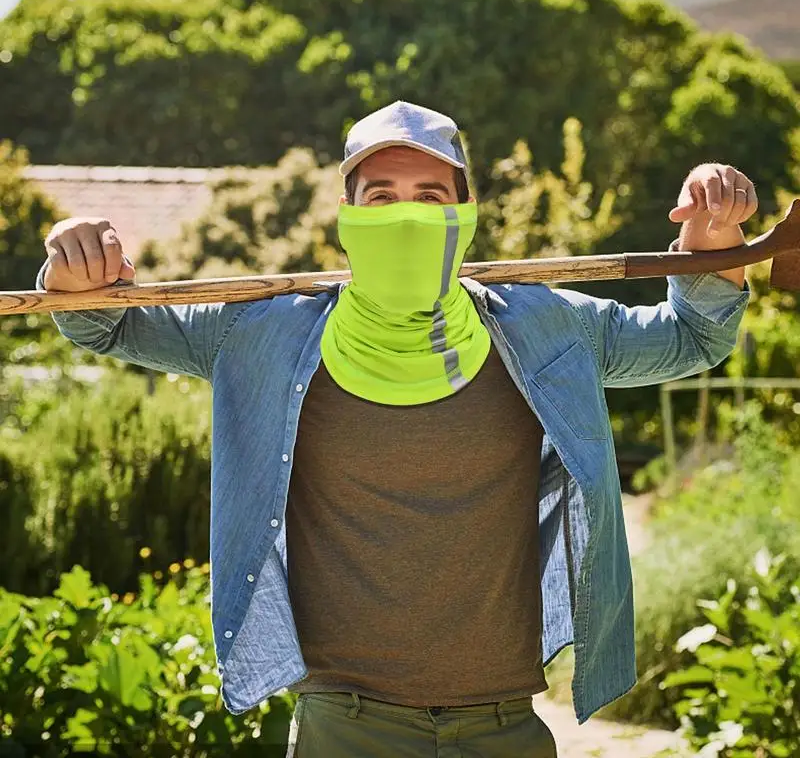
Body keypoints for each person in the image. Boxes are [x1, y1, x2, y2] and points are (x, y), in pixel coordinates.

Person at [38, 101, 754, 757]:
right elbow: (107, 323)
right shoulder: (263, 332)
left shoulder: (546, 328)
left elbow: (691, 337)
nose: (406, 218)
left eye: (431, 198)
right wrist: (74, 269)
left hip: (504, 726)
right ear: (345, 217)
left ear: (466, 214)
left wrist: (712, 240)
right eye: (380, 198)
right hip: (344, 727)